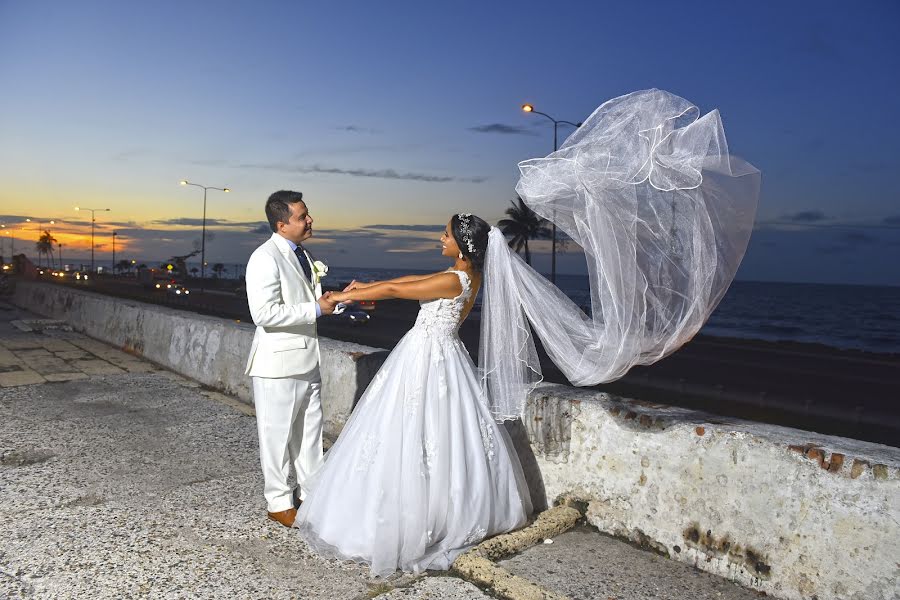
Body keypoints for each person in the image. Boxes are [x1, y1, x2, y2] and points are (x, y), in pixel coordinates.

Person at [293, 213, 533, 576]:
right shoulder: (467, 275)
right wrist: (362, 287)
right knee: (436, 433)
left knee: (413, 430)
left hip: (426, 359)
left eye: (446, 234)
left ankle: (416, 517)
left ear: (462, 245)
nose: (441, 238)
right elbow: (410, 281)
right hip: (443, 356)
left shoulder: (455, 280)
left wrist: (346, 295)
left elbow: (396, 292)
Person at [244, 190, 340, 528]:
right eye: (302, 216)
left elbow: (308, 302)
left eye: (307, 214)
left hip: (307, 361)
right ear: (282, 224)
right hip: (277, 366)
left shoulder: (302, 254)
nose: (310, 220)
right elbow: (264, 313)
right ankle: (278, 502)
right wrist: (315, 308)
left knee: (310, 436)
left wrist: (335, 300)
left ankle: (312, 494)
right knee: (277, 436)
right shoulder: (264, 257)